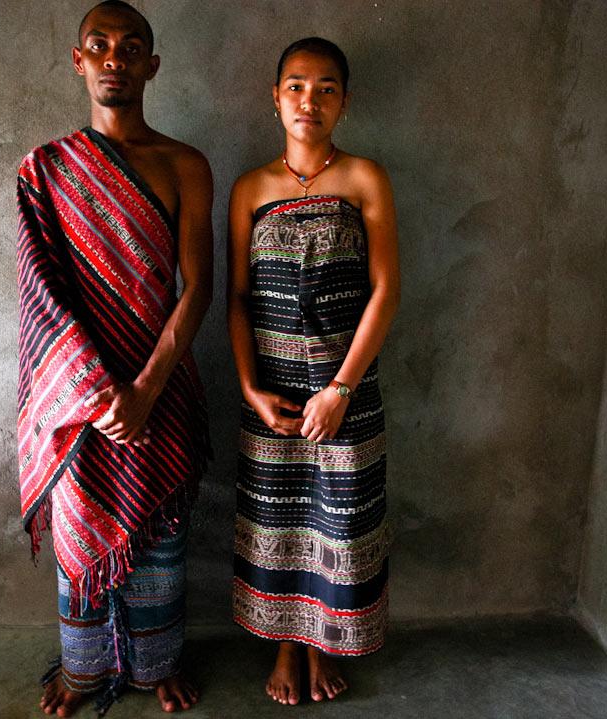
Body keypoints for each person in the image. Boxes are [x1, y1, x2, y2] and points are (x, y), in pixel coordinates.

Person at [15, 2, 213, 715]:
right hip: (76, 399)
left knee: (160, 537)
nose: (115, 57)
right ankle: (84, 669)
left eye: (132, 47)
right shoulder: (46, 169)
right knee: (80, 538)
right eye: (99, 45)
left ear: (151, 66)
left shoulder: (184, 163)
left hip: (161, 387)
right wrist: (98, 395)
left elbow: (198, 288)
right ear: (79, 61)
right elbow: (41, 300)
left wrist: (147, 388)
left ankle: (158, 661)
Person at [227, 37, 400, 706]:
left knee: (339, 521)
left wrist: (339, 390)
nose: (309, 100)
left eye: (326, 88)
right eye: (296, 86)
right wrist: (248, 386)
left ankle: (324, 642)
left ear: (345, 102)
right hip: (270, 395)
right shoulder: (250, 188)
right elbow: (238, 299)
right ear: (275, 98)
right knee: (279, 523)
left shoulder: (364, 179)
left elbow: (385, 290)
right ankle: (285, 644)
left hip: (347, 391)